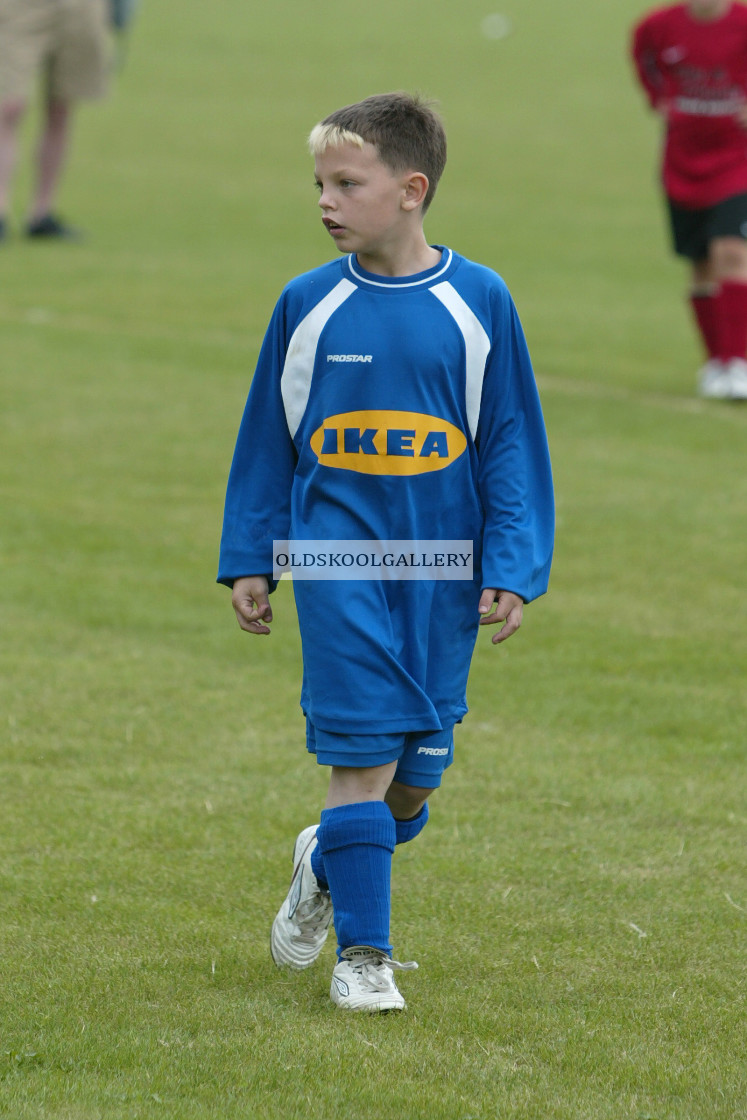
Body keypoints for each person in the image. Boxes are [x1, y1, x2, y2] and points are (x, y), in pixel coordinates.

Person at [218, 93, 554, 1013]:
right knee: (358, 751)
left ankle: (327, 855)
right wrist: (252, 554)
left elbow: (509, 441)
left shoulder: (478, 302)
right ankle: (364, 959)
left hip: (444, 568)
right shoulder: (308, 305)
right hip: (332, 560)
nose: (324, 201)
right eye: (319, 184)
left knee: (412, 780)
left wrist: (513, 565)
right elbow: (266, 442)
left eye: (345, 184)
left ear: (411, 190)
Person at [631, 0, 747, 400]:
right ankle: (717, 362)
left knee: (732, 251)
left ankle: (738, 361)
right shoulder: (660, 26)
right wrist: (659, 97)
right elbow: (644, 56)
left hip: (737, 160)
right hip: (682, 162)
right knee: (700, 264)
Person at [0, 0, 112, 242]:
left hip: (81, 7)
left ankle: (41, 214)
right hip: (20, 7)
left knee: (62, 107)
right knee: (9, 107)